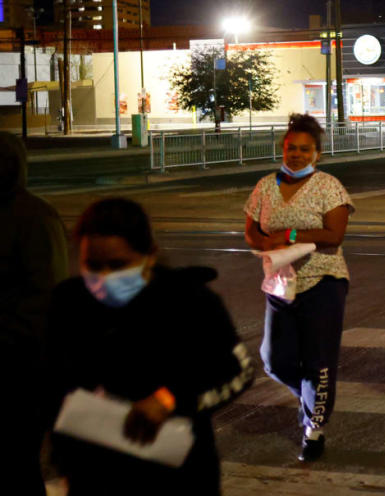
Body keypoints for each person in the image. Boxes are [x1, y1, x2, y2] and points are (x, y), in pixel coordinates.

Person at [46, 198, 253, 495]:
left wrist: (169, 400)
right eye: (92, 265)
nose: (104, 277)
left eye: (118, 265)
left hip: (176, 475)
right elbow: (53, 383)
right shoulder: (68, 303)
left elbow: (238, 372)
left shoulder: (190, 302)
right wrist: (66, 461)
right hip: (94, 475)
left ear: (150, 255)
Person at [244, 113, 354, 461]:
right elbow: (251, 232)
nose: (296, 155)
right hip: (279, 283)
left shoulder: (329, 186)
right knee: (274, 360)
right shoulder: (264, 186)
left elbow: (334, 236)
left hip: (323, 281)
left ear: (317, 153)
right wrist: (267, 246)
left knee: (319, 362)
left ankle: (314, 430)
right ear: (283, 148)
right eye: (291, 148)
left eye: (304, 149)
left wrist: (289, 235)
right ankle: (309, 398)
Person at [0, 133, 68, 496]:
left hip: (18, 366)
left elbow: (45, 297)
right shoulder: (34, 216)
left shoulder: (34, 218)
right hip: (18, 359)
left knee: (16, 462)